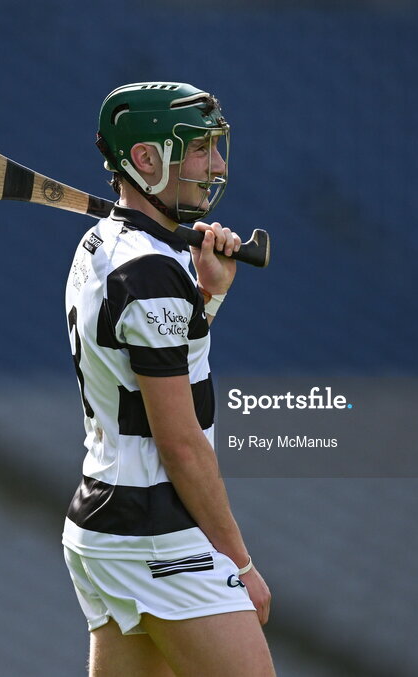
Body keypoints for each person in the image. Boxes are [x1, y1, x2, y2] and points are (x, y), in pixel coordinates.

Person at [61, 82, 275, 676]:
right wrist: (240, 564)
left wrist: (207, 296)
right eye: (200, 149)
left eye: (217, 146)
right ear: (147, 159)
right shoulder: (151, 269)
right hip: (158, 533)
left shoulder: (104, 244)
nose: (217, 165)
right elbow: (179, 443)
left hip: (106, 524)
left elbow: (145, 362)